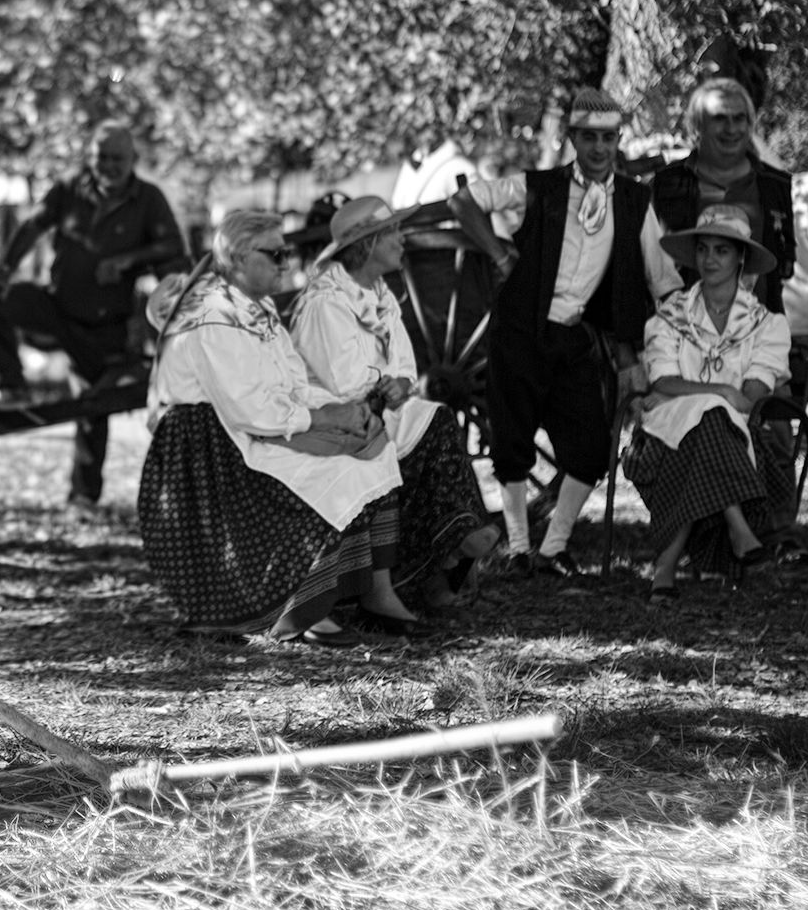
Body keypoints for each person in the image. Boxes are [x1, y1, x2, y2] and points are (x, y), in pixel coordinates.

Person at [139, 209, 412, 644]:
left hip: (244, 425)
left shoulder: (256, 306)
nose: (286, 264)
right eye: (277, 254)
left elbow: (291, 381)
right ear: (240, 258)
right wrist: (325, 417)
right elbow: (249, 408)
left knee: (373, 454)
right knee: (335, 470)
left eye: (287, 253)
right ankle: (306, 609)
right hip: (205, 447)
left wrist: (338, 409)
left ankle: (375, 594)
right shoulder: (214, 316)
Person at [449, 87, 682, 573]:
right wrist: (499, 254)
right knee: (512, 442)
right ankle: (518, 548)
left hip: (574, 335)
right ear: (573, 139)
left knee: (591, 446)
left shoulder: (635, 201)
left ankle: (554, 546)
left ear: (618, 140)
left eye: (608, 138)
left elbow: (662, 277)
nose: (599, 148)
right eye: (588, 138)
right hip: (519, 330)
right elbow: (465, 200)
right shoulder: (539, 187)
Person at [290, 196, 501, 614]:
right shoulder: (326, 302)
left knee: (434, 417)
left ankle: (451, 549)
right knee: (428, 426)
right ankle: (451, 548)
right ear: (367, 245)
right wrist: (385, 384)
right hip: (333, 417)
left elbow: (404, 363)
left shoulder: (380, 295)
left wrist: (401, 381)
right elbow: (342, 380)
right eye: (392, 233)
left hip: (376, 408)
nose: (402, 239)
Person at [0, 122, 189, 504]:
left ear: (133, 160)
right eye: (101, 157)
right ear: (90, 158)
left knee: (93, 405)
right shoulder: (69, 188)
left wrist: (128, 260)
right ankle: (11, 385)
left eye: (117, 159)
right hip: (58, 307)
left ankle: (83, 497)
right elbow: (32, 226)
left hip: (105, 324)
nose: (108, 166)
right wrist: (5, 269)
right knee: (2, 297)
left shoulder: (149, 198)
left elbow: (173, 249)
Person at [626, 206, 794, 600]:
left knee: (711, 422)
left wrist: (707, 397)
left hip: (735, 438)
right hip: (667, 433)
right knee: (714, 414)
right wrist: (721, 392)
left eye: (722, 250)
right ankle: (738, 527)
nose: (710, 259)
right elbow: (662, 380)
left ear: (740, 258)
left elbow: (751, 397)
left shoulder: (765, 325)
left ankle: (665, 567)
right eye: (703, 249)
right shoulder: (670, 316)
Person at [649, 77, 797, 314]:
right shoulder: (666, 184)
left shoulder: (776, 185)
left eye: (739, 118)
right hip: (683, 326)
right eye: (719, 118)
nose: (731, 129)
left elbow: (782, 265)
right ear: (697, 125)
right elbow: (647, 261)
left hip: (759, 327)